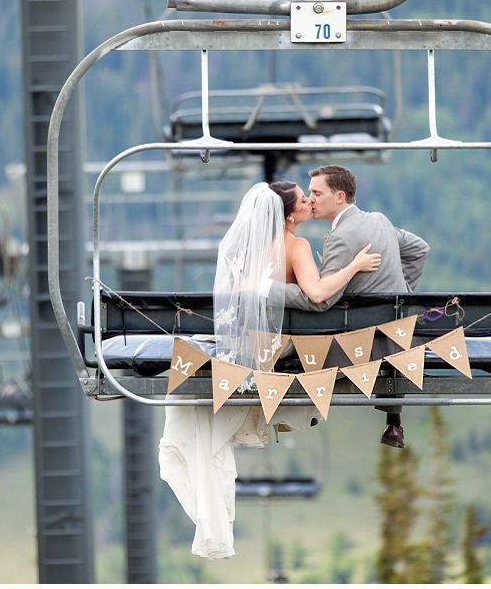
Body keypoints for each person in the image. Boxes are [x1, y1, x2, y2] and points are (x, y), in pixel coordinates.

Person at [158, 182, 381, 560]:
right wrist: (354, 267)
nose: (310, 201)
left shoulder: (242, 249)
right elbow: (316, 293)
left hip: (238, 347)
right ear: (290, 215)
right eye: (303, 197)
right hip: (272, 351)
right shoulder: (296, 247)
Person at [277, 165, 430, 449]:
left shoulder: (341, 238)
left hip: (362, 346)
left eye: (316, 192)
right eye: (309, 193)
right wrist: (401, 294)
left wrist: (271, 292)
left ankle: (297, 411)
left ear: (340, 196)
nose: (311, 199)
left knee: (295, 339)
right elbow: (420, 249)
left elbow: (321, 301)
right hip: (400, 338)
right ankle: (392, 422)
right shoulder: (379, 220)